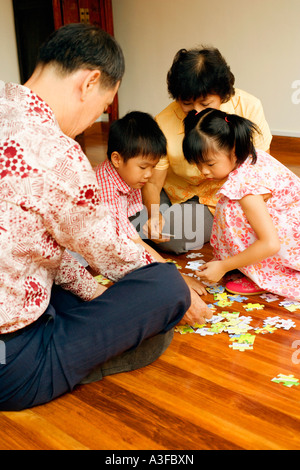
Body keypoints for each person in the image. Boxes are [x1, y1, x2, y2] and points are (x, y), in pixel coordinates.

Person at [0, 24, 210, 411]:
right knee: (165, 288)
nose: (96, 118)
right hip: (11, 366)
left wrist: (96, 293)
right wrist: (175, 286)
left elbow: (40, 244)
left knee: (73, 277)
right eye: (103, 106)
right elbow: (109, 249)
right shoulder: (55, 152)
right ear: (90, 81)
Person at [141, 46, 272, 254]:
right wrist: (153, 215)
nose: (197, 111)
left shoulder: (248, 107)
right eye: (186, 103)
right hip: (176, 192)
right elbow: (154, 182)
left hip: (220, 199)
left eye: (205, 103)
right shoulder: (163, 121)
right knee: (136, 220)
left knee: (172, 237)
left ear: (224, 95)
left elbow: (257, 170)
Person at [182, 108, 300, 300]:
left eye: (210, 164)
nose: (203, 171)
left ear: (234, 150)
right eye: (197, 164)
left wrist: (223, 266)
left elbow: (270, 244)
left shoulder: (245, 187)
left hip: (290, 246)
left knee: (230, 209)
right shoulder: (253, 155)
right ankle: (245, 263)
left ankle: (263, 274)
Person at [95, 110, 209, 299]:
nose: (149, 174)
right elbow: (134, 243)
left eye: (153, 167)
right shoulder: (107, 190)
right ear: (116, 159)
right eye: (143, 167)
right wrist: (176, 278)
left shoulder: (127, 177)